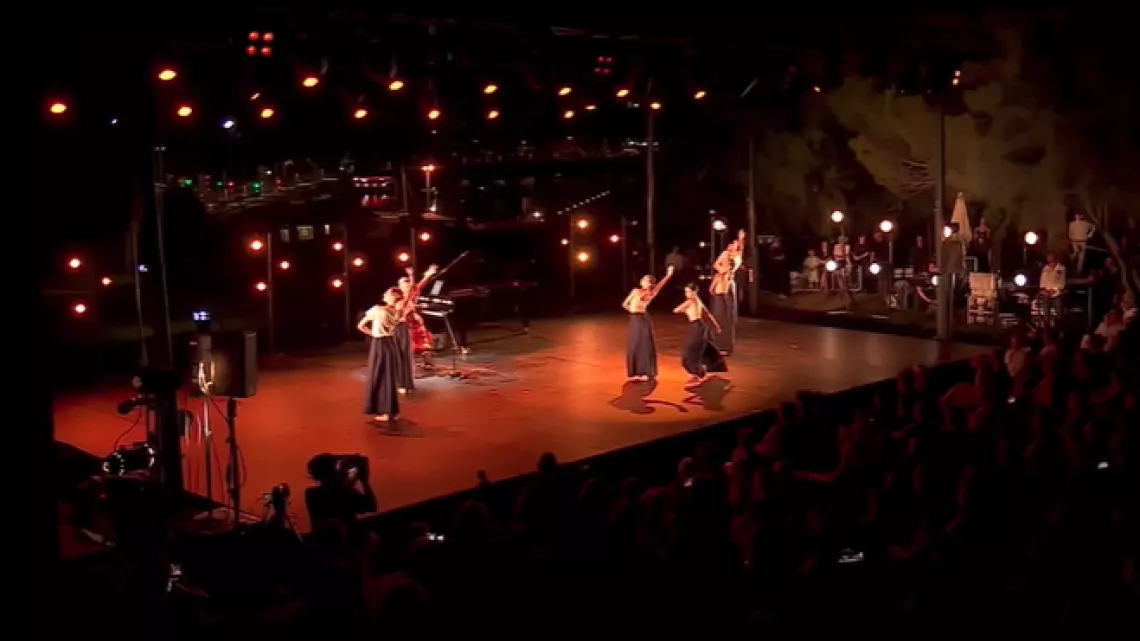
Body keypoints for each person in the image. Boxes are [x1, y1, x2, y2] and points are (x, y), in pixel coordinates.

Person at [358, 265, 439, 422]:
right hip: (392, 332)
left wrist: (425, 275)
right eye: (403, 283)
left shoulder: (400, 302)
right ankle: (396, 392)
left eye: (407, 283)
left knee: (402, 358)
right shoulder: (396, 303)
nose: (406, 285)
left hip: (395, 331)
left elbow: (416, 289)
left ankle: (402, 387)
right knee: (394, 361)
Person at [622, 265, 674, 381]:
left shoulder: (651, 293)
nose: (643, 280)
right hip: (634, 319)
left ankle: (646, 371)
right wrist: (633, 311)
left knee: (644, 344)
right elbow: (625, 304)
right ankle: (635, 372)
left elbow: (661, 285)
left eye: (646, 280)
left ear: (650, 284)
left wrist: (668, 275)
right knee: (634, 344)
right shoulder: (635, 291)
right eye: (643, 279)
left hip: (643, 319)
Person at [304, 454, 377, 531]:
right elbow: (371, 507)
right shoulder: (348, 493)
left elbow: (336, 493)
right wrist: (364, 481)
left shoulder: (311, 494)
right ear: (333, 473)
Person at [674, 283, 727, 385]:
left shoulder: (691, 301)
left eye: (688, 291)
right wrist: (716, 326)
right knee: (695, 351)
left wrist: (685, 309)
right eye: (686, 291)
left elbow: (676, 310)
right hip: (700, 326)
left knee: (691, 352)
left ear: (694, 292)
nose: (686, 294)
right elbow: (708, 315)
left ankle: (699, 373)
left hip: (696, 327)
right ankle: (698, 373)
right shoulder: (698, 301)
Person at [710, 230, 745, 355]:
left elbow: (741, 250)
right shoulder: (725, 254)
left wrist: (741, 239)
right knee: (719, 316)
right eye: (732, 243)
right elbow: (716, 265)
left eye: (735, 244)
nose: (733, 245)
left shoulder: (737, 258)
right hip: (720, 287)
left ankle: (726, 346)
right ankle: (717, 345)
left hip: (729, 286)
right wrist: (723, 270)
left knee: (729, 317)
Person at [1038, 254, 1066, 327]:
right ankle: (1046, 327)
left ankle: (1059, 327)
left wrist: (1054, 290)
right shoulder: (1045, 268)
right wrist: (1043, 289)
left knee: (1059, 313)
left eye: (1051, 259)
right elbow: (1042, 280)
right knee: (1046, 313)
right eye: (1048, 260)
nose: (1050, 261)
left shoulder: (1061, 268)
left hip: (1056, 294)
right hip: (1046, 294)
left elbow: (1061, 281)